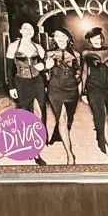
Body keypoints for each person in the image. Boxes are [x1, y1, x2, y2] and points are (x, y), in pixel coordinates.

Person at [5, 23, 47, 160]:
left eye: (31, 28)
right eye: (25, 28)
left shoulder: (38, 47)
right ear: (20, 30)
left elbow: (48, 62)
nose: (28, 31)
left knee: (39, 112)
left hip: (37, 82)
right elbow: (9, 69)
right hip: (21, 83)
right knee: (25, 114)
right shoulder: (13, 46)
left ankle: (36, 149)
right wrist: (11, 87)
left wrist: (43, 65)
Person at [80, 26, 108, 163]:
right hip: (93, 87)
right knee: (103, 118)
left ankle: (100, 133)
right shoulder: (86, 53)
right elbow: (84, 72)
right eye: (93, 39)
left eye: (98, 38)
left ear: (101, 38)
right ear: (90, 41)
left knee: (102, 115)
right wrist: (83, 91)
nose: (96, 40)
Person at [42, 26, 81, 164]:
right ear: (54, 38)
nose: (60, 38)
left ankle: (58, 134)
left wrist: (80, 92)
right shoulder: (49, 53)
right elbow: (45, 73)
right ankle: (70, 154)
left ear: (68, 38)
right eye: (57, 36)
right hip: (55, 89)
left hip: (71, 90)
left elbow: (78, 74)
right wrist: (46, 67)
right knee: (62, 118)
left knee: (68, 119)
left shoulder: (76, 54)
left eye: (63, 36)